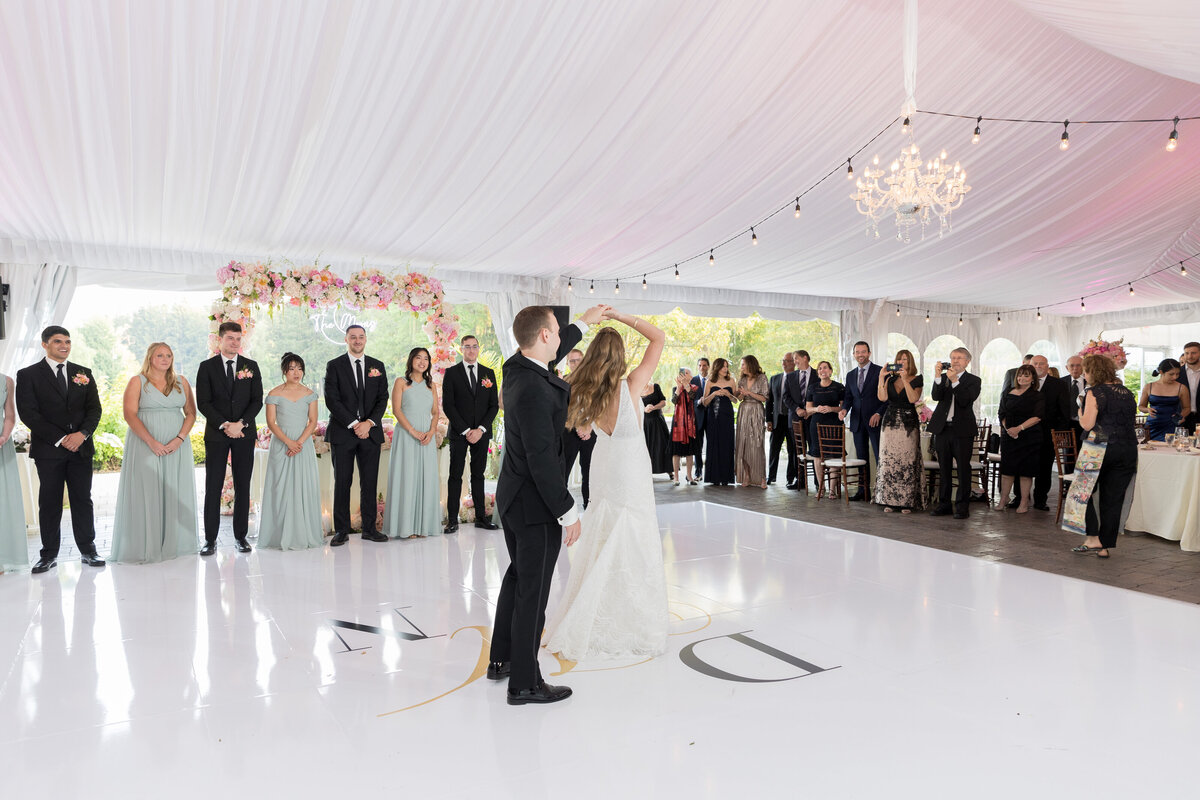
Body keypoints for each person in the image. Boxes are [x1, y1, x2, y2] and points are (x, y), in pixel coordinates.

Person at [487, 303, 607, 706]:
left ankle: (502, 659)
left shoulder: (517, 366)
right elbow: (542, 459)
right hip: (534, 504)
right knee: (533, 593)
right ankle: (524, 683)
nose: (559, 337)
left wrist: (582, 324)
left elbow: (552, 351)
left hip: (513, 496)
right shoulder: (535, 389)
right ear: (542, 337)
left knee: (519, 578)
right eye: (556, 331)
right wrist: (568, 510)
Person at [546, 309, 668, 661]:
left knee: (604, 532)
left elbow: (582, 427)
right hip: (630, 469)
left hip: (604, 465)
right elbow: (658, 337)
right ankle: (627, 616)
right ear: (621, 357)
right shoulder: (631, 385)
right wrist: (621, 316)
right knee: (633, 535)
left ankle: (592, 607)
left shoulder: (585, 390)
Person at [16, 325, 105, 573]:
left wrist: (82, 434)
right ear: (45, 344)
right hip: (49, 451)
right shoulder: (28, 374)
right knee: (50, 501)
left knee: (82, 500)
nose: (64, 346)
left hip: (81, 449)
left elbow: (94, 409)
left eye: (67, 341)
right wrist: (61, 438)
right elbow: (28, 414)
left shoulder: (83, 373)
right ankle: (48, 555)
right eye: (58, 342)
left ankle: (88, 550)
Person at [110, 343, 199, 563]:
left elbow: (191, 413)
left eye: (169, 355)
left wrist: (179, 439)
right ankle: (145, 545)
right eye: (160, 355)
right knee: (147, 490)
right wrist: (151, 442)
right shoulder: (137, 382)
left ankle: (174, 543)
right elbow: (129, 415)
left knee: (174, 490)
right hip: (145, 444)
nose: (165, 359)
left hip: (176, 445)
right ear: (150, 357)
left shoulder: (182, 382)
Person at [195, 321, 263, 556]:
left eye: (238, 338)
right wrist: (225, 425)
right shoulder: (206, 367)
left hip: (244, 433)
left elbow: (257, 401)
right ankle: (210, 540)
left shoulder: (251, 366)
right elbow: (203, 402)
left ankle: (241, 537)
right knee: (213, 486)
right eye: (230, 338)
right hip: (217, 434)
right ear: (220, 340)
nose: (234, 342)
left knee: (243, 485)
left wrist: (240, 424)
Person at [323, 324, 389, 547]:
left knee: (369, 482)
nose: (357, 340)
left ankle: (370, 529)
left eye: (361, 337)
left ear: (366, 339)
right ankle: (341, 530)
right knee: (343, 481)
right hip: (343, 433)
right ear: (346, 340)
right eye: (353, 337)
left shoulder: (377, 366)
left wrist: (369, 423)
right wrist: (354, 424)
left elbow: (383, 398)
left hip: (370, 433)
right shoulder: (334, 366)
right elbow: (332, 399)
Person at [1072, 354, 1138, 559]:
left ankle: (1092, 538)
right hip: (1127, 448)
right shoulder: (1127, 392)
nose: (1084, 374)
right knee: (1113, 498)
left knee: (1080, 492)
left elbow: (1087, 424)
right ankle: (1105, 545)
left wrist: (1079, 409)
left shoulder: (1094, 392)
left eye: (1086, 370)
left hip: (1097, 446)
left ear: (1094, 372)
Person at [257, 353, 322, 550]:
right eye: (292, 368)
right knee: (280, 487)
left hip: (303, 445)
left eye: (300, 368)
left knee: (303, 486)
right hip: (281, 443)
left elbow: (313, 421)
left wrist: (299, 443)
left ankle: (305, 533)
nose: (297, 372)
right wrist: (288, 442)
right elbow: (271, 422)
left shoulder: (310, 393)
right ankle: (278, 535)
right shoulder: (274, 394)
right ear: (284, 370)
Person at [441, 335, 500, 533]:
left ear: (478, 348)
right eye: (467, 347)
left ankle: (481, 517)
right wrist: (466, 430)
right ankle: (452, 520)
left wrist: (480, 429)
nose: (471, 350)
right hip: (459, 433)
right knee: (455, 475)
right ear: (461, 349)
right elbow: (448, 405)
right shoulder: (451, 373)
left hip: (481, 433)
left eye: (475, 346)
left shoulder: (488, 374)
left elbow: (494, 406)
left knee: (479, 475)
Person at [384, 347, 441, 539]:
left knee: (425, 478)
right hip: (407, 435)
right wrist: (412, 431)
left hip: (426, 435)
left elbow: (435, 412)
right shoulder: (400, 382)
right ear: (411, 360)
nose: (422, 362)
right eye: (418, 358)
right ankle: (406, 528)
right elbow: (397, 410)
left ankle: (423, 526)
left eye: (426, 359)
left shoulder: (431, 385)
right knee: (407, 477)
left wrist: (431, 431)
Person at [926, 347, 981, 519]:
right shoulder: (943, 377)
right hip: (942, 429)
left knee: (963, 469)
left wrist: (955, 381)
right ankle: (944, 504)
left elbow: (965, 400)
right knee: (944, 469)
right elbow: (936, 397)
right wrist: (937, 377)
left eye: (959, 358)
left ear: (967, 361)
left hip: (962, 431)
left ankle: (962, 507)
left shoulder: (974, 380)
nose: (955, 361)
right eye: (952, 357)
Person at [873, 350, 923, 513]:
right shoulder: (889, 378)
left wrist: (904, 379)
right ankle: (888, 499)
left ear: (910, 362)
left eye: (905, 359)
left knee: (907, 460)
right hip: (890, 420)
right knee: (889, 460)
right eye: (900, 359)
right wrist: (881, 377)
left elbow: (912, 399)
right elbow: (882, 398)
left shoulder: (917, 379)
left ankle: (906, 501)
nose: (902, 361)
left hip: (908, 422)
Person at [840, 341, 887, 500]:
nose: (860, 354)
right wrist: (844, 410)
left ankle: (883, 492)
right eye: (857, 352)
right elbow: (848, 398)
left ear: (869, 353)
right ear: (854, 354)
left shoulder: (880, 371)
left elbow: (887, 399)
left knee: (880, 457)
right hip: (857, 422)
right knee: (862, 459)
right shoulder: (850, 374)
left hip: (875, 421)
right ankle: (863, 491)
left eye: (863, 351)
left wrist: (879, 413)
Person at [996, 364, 1044, 514]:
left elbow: (1037, 417)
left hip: (1029, 437)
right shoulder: (1007, 392)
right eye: (1020, 375)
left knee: (1026, 471)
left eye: (1026, 375)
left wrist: (1019, 428)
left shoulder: (1037, 395)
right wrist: (1008, 430)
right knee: (1007, 470)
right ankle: (1004, 499)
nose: (1022, 378)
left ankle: (1024, 501)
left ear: (1032, 379)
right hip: (1009, 437)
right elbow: (1001, 413)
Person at [1030, 355, 1073, 512]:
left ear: (1047, 366)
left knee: (1044, 468)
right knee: (1023, 465)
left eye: (1042, 364)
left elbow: (1064, 411)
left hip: (1048, 433)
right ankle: (1020, 498)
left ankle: (1040, 499)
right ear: (1030, 365)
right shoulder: (1024, 382)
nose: (1038, 366)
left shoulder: (1059, 384)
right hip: (1026, 433)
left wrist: (1060, 433)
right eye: (1035, 363)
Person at [562, 349, 598, 507]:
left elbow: (599, 407)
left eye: (578, 360)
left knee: (589, 474)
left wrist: (589, 426)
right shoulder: (562, 382)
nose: (575, 363)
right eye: (572, 361)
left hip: (590, 433)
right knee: (562, 472)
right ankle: (560, 511)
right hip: (569, 432)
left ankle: (589, 508)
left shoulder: (595, 382)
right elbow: (561, 409)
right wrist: (577, 425)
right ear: (568, 363)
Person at [0, 371, 28, 572]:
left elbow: (9, 415)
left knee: (3, 501)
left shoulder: (6, 381)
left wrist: (4, 436)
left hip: (1, 445)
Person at [805, 361, 845, 487]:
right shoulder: (812, 387)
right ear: (818, 373)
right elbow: (808, 409)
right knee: (817, 455)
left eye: (825, 368)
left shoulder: (839, 387)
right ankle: (821, 486)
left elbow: (843, 408)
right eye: (820, 369)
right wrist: (817, 409)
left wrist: (832, 409)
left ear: (831, 371)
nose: (823, 370)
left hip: (834, 425)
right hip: (816, 425)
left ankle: (832, 489)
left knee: (834, 455)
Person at [782, 350, 816, 488]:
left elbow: (820, 395)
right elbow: (786, 397)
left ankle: (817, 481)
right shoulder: (790, 377)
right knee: (798, 451)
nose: (794, 361)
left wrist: (810, 411)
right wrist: (798, 409)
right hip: (796, 419)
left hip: (813, 419)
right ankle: (800, 481)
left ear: (805, 358)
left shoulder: (817, 375)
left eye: (796, 358)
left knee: (814, 449)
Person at [734, 355, 768, 488]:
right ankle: (747, 475)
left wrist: (749, 393)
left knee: (757, 445)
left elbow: (764, 398)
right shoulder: (742, 379)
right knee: (744, 444)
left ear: (750, 364)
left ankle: (762, 477)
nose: (741, 367)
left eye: (743, 364)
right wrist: (740, 395)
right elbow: (739, 398)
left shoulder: (762, 378)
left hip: (757, 411)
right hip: (744, 411)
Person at [701, 358, 737, 485]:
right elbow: (704, 402)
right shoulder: (709, 381)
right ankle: (714, 477)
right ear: (717, 368)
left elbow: (735, 400)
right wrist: (714, 394)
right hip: (713, 416)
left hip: (727, 416)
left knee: (727, 444)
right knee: (714, 444)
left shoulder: (732, 381)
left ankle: (726, 478)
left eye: (726, 366)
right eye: (723, 367)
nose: (725, 369)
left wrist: (728, 394)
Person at [1138, 358, 1190, 442]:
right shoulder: (1149, 386)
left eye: (1177, 374)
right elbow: (1141, 406)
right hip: (1152, 426)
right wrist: (1147, 409)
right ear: (1161, 372)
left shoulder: (1182, 388)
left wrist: (1180, 416)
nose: (1175, 377)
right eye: (1171, 374)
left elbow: (1187, 408)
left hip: (1171, 425)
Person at [765, 352, 796, 487]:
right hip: (777, 420)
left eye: (787, 361)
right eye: (783, 360)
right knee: (773, 449)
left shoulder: (797, 378)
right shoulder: (774, 379)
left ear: (794, 363)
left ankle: (791, 478)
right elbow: (769, 401)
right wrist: (768, 420)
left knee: (792, 450)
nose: (784, 363)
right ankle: (771, 476)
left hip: (792, 420)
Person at [670, 368, 700, 485]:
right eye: (682, 373)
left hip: (690, 421)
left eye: (686, 373)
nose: (683, 375)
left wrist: (686, 385)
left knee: (690, 451)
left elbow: (692, 397)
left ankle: (689, 476)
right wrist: (678, 387)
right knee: (676, 451)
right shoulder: (675, 388)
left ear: (691, 377)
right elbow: (674, 401)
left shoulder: (695, 388)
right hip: (678, 422)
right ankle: (676, 477)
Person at [640, 381, 673, 478]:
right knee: (646, 447)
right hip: (644, 422)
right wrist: (644, 409)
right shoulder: (636, 389)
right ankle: (645, 472)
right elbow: (633, 406)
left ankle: (669, 470)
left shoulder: (655, 386)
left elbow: (663, 402)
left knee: (662, 445)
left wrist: (654, 407)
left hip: (657, 421)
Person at [1063, 355, 1086, 475]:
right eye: (1072, 365)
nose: (1075, 368)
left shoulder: (1090, 382)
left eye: (1078, 365)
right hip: (1068, 425)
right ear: (1067, 367)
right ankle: (1068, 485)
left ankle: (1084, 487)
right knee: (1069, 456)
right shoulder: (1061, 382)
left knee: (1085, 456)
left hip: (1086, 424)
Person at [690, 358, 711, 479]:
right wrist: (698, 401)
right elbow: (690, 400)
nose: (702, 368)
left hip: (711, 417)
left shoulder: (713, 380)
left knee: (712, 444)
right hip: (697, 417)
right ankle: (698, 471)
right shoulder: (693, 381)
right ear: (697, 367)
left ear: (708, 366)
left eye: (704, 365)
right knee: (698, 445)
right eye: (700, 365)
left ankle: (710, 470)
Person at [1180, 342, 1200, 434]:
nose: (1189, 356)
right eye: (1187, 353)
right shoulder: (1177, 373)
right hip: (1182, 419)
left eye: (1193, 353)